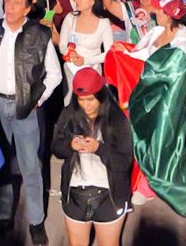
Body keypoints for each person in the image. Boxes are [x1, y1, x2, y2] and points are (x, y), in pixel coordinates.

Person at [0, 0, 61, 244]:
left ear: (27, 8)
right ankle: (4, 216)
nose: (10, 7)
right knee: (1, 163)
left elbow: (55, 75)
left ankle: (36, 222)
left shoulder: (39, 34)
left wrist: (40, 98)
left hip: (25, 107)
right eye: (8, 1)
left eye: (17, 3)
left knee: (30, 167)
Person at [52, 67, 135, 246]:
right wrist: (70, 145)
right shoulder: (69, 114)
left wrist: (98, 148)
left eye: (91, 99)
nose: (86, 105)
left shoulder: (117, 120)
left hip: (109, 197)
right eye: (81, 100)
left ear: (101, 96)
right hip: (75, 194)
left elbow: (124, 162)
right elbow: (56, 148)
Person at [58, 0, 114, 87]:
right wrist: (68, 52)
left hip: (92, 70)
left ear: (92, 1)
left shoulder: (104, 23)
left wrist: (86, 60)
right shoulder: (70, 18)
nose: (77, 0)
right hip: (71, 68)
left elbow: (108, 54)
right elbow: (62, 44)